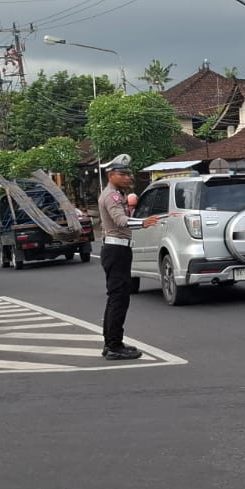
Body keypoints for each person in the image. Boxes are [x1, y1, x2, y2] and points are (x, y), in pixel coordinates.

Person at [95, 154, 159, 361]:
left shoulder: (118, 194)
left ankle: (112, 343)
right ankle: (113, 346)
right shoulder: (112, 196)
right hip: (116, 250)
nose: (128, 177)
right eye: (122, 174)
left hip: (118, 250)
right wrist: (142, 223)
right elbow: (120, 221)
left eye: (128, 173)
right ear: (111, 175)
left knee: (117, 298)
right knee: (118, 299)